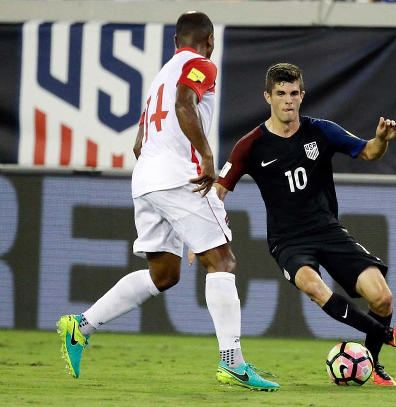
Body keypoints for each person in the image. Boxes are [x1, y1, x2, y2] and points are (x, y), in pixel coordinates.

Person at [56, 12, 279, 392]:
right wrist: (207, 156)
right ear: (208, 41)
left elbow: (139, 143)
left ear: (175, 42)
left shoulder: (161, 76)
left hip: (145, 179)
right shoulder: (200, 65)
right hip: (180, 177)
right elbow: (184, 103)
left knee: (165, 275)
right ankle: (233, 362)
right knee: (221, 261)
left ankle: (81, 326)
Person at [213, 63, 396, 386]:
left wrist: (381, 140)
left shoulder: (321, 131)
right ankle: (382, 334)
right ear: (268, 97)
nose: (288, 101)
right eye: (280, 94)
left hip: (328, 231)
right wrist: (204, 237)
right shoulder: (250, 145)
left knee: (383, 298)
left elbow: (367, 152)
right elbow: (217, 192)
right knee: (313, 285)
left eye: (294, 93)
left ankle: (371, 363)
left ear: (302, 95)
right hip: (288, 241)